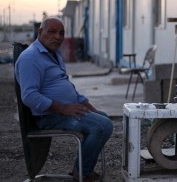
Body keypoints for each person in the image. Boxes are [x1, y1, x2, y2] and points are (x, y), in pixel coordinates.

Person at [15, 17, 113, 182]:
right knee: (103, 126)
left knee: (102, 117)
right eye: (52, 32)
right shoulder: (30, 58)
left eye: (61, 33)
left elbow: (67, 87)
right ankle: (82, 172)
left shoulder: (53, 54)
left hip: (63, 112)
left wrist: (90, 107)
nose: (58, 37)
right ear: (40, 32)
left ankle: (81, 168)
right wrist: (63, 108)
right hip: (48, 116)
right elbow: (29, 96)